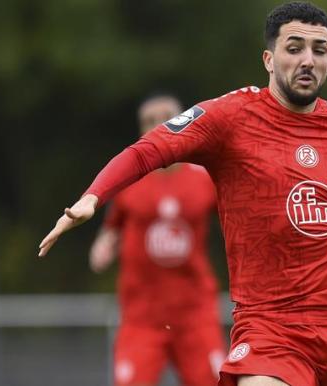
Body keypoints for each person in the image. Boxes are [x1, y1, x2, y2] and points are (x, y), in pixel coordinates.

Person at [37, 3, 327, 386]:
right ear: (269, 59)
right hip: (273, 326)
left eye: (318, 50)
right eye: (294, 47)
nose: (307, 59)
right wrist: (94, 196)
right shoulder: (228, 117)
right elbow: (151, 149)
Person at [89, 94, 225, 386]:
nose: (158, 126)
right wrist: (103, 246)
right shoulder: (128, 181)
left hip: (194, 315)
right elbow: (112, 227)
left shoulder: (205, 179)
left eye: (166, 118)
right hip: (142, 318)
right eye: (149, 121)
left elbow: (234, 220)